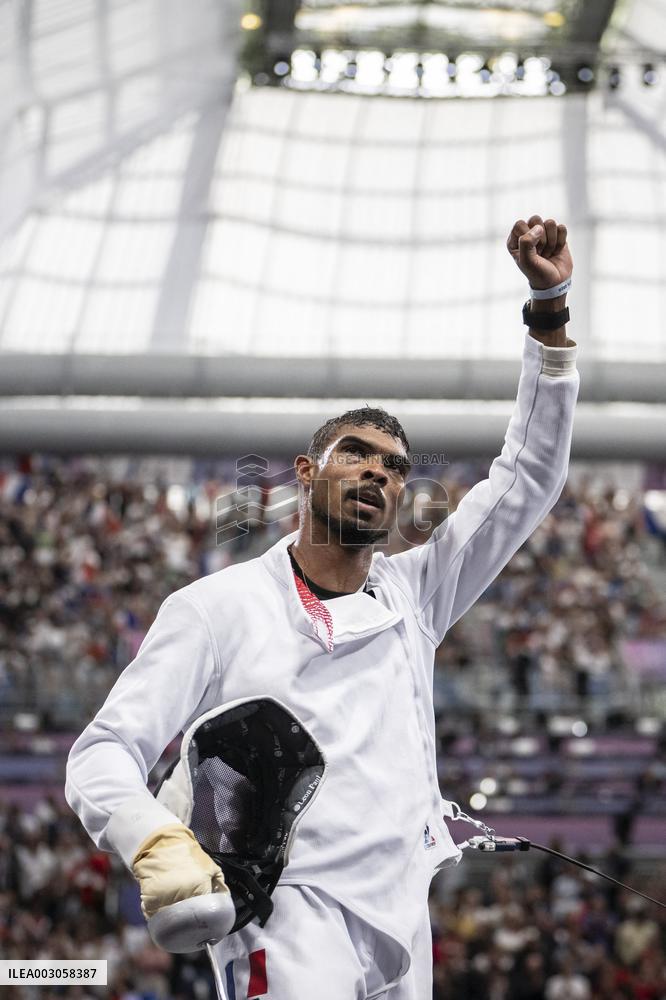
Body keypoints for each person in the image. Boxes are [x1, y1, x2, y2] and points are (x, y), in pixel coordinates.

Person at [66, 215, 579, 999]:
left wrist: (551, 307)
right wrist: (156, 840)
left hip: (403, 917)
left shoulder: (415, 593)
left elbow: (528, 476)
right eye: (357, 455)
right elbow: (101, 754)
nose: (378, 473)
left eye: (395, 467)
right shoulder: (217, 608)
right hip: (288, 914)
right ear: (307, 473)